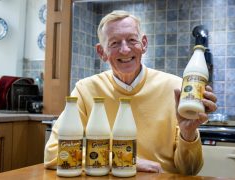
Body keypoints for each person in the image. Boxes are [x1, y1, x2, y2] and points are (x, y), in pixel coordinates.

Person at [44, 10, 217, 175]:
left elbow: (190, 170)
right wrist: (125, 160)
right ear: (101, 52)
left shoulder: (176, 89)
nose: (125, 50)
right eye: (114, 43)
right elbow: (53, 155)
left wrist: (188, 134)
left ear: (144, 44)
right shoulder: (85, 90)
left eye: (132, 40)